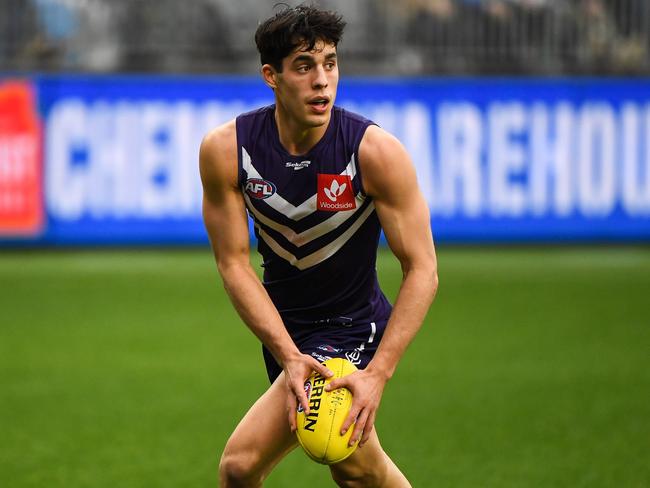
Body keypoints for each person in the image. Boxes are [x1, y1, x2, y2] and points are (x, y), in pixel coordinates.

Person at [199, 5, 438, 487]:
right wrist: (286, 353)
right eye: (304, 67)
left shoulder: (374, 153)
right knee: (356, 471)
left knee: (239, 467)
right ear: (272, 75)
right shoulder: (227, 152)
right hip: (288, 335)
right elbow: (233, 263)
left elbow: (422, 269)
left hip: (353, 331)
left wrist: (378, 374)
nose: (322, 81)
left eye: (330, 63)